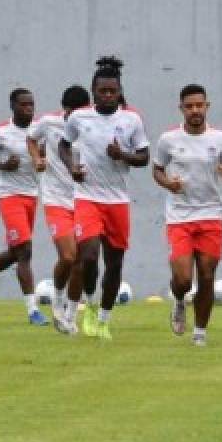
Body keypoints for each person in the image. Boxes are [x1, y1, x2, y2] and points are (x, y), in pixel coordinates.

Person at [58, 57, 150, 340]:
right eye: (102, 91)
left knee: (115, 264)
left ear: (119, 92)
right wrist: (72, 166)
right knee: (87, 256)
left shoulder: (131, 119)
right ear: (94, 91)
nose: (107, 96)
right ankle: (89, 302)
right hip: (87, 197)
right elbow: (64, 144)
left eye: (112, 91)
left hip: (117, 201)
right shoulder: (79, 118)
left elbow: (144, 157)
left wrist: (122, 155)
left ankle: (104, 318)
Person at [153, 84, 222, 347]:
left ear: (207, 106)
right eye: (189, 106)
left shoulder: (221, 139)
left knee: (206, 275)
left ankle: (200, 332)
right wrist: (168, 184)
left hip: (211, 214)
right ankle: (179, 300)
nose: (194, 110)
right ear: (181, 108)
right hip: (179, 216)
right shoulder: (168, 139)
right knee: (182, 279)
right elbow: (157, 170)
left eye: (199, 105)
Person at [0, 88, 45, 324]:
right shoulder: (1, 132)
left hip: (32, 195)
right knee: (25, 251)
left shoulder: (39, 129)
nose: (29, 109)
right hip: (9, 196)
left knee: (16, 252)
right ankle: (33, 310)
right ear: (13, 106)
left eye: (31, 104)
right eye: (24, 105)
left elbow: (46, 155)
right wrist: (3, 165)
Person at [27, 85, 91, 332]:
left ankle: (71, 315)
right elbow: (31, 138)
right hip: (55, 199)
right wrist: (37, 158)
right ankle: (57, 299)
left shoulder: (91, 126)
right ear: (65, 110)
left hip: (85, 199)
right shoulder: (49, 123)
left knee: (82, 261)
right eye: (73, 111)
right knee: (68, 256)